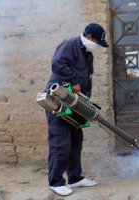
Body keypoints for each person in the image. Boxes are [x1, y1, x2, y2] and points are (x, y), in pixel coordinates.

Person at [45, 23, 109, 196]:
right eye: (97, 42)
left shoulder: (87, 54)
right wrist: (73, 81)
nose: (97, 46)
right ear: (88, 37)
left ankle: (75, 178)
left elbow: (85, 81)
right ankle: (56, 181)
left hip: (76, 103)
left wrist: (85, 102)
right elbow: (57, 63)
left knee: (75, 141)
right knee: (60, 141)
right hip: (59, 100)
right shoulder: (70, 45)